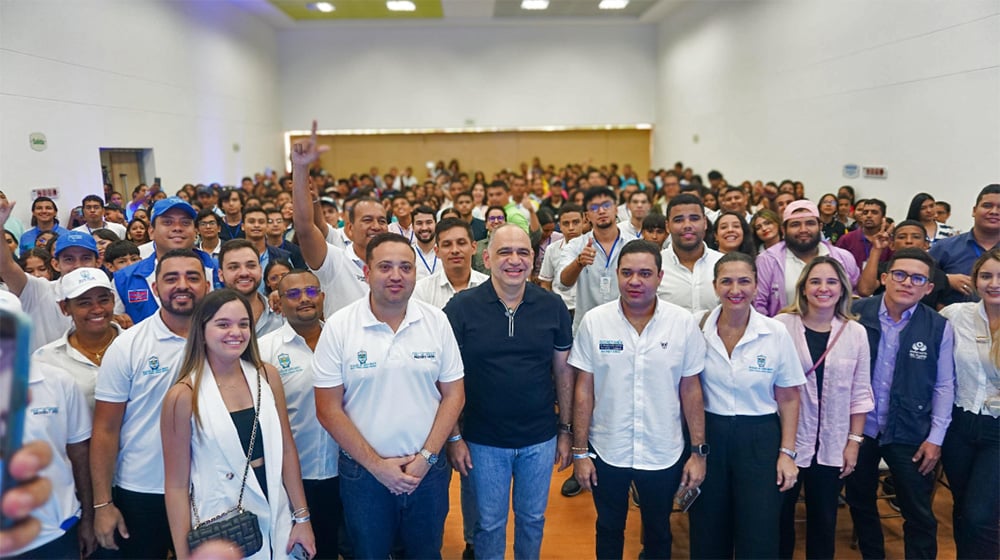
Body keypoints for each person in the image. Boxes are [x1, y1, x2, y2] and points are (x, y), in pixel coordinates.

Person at [313, 233, 465, 559]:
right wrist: (377, 466)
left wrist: (427, 457)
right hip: (364, 475)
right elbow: (327, 409)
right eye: (385, 267)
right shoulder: (340, 326)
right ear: (367, 273)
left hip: (427, 471)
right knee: (370, 554)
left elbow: (454, 395)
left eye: (405, 268)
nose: (396, 276)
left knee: (426, 553)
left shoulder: (436, 321)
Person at [570, 240, 708, 559]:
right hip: (607, 449)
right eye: (627, 273)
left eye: (645, 273)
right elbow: (583, 390)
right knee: (608, 528)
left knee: (659, 530)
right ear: (617, 275)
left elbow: (691, 390)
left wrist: (698, 451)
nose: (635, 281)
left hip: (664, 450)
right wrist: (580, 452)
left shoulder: (682, 323)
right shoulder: (595, 321)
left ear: (660, 277)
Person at [444, 224, 574, 559]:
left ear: (533, 259)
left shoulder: (553, 306)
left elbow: (563, 372)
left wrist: (566, 431)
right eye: (504, 252)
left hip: (540, 438)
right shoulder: (460, 308)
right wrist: (454, 437)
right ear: (486, 258)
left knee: (532, 519)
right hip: (482, 440)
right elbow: (446, 379)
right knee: (488, 524)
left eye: (523, 252)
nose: (514, 260)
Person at [160, 289, 315, 560]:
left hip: (276, 509)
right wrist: (185, 555)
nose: (236, 332)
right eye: (223, 324)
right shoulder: (183, 396)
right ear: (202, 330)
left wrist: (302, 518)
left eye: (243, 324)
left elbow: (287, 451)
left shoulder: (267, 376)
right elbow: (176, 485)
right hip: (220, 520)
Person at [91, 249, 211, 558]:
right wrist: (103, 504)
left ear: (207, 287)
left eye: (192, 277)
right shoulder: (128, 346)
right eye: (171, 278)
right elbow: (105, 429)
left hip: (211, 490)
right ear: (155, 289)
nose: (182, 285)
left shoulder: (225, 340)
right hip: (142, 490)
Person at [688, 252, 806, 559]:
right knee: (707, 527)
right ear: (715, 286)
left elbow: (790, 397)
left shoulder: (775, 332)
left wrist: (787, 453)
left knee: (759, 529)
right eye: (726, 281)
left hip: (760, 437)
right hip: (709, 435)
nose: (735, 289)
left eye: (744, 281)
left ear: (756, 286)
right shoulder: (696, 328)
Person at [846, 248, 956, 560]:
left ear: (928, 288)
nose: (907, 282)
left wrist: (935, 438)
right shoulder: (856, 313)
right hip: (859, 431)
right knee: (860, 502)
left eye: (918, 278)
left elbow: (944, 385)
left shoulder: (938, 326)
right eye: (900, 274)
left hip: (910, 432)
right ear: (884, 278)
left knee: (919, 513)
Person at [774, 257, 874, 560]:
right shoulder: (780, 326)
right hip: (786, 443)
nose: (823, 288)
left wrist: (854, 444)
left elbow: (860, 392)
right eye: (815, 281)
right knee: (779, 519)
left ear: (842, 289)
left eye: (831, 282)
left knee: (824, 520)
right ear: (803, 289)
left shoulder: (855, 332)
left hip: (832, 444)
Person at [938, 248, 1000, 560]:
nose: (994, 283)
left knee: (981, 515)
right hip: (959, 424)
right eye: (986, 276)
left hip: (998, 431)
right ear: (975, 280)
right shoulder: (955, 315)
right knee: (962, 508)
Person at [291, 122, 386, 319]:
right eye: (367, 220)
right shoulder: (334, 261)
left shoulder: (394, 264)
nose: (376, 226)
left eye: (382, 221)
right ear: (349, 228)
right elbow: (304, 228)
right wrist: (301, 167)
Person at [113, 197, 219, 324]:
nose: (177, 228)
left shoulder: (218, 270)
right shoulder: (125, 279)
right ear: (151, 232)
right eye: (168, 222)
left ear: (195, 232)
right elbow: (115, 324)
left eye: (185, 223)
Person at [32, 268, 122, 409]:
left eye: (104, 300)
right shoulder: (45, 359)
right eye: (84, 303)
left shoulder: (138, 345)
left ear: (113, 301)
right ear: (65, 308)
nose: (97, 309)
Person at [755, 200, 859, 317]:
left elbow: (853, 298)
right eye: (795, 224)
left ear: (820, 227)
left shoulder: (843, 258)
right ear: (784, 230)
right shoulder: (768, 260)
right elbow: (759, 306)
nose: (803, 230)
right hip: (783, 332)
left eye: (810, 223)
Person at [558, 187, 624, 331]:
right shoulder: (576, 245)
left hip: (623, 326)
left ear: (616, 209)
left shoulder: (632, 245)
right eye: (594, 208)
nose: (601, 211)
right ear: (587, 216)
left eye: (606, 205)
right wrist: (579, 263)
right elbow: (562, 283)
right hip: (587, 328)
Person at [930, 184, 1000, 307]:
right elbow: (920, 280)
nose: (994, 212)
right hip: (952, 323)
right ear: (974, 211)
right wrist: (945, 280)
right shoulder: (944, 248)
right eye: (987, 206)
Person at [857, 220, 950, 308]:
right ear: (892, 245)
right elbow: (865, 291)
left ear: (926, 244)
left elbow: (940, 312)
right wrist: (876, 249)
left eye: (916, 237)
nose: (909, 241)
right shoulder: (883, 269)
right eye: (902, 237)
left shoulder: (938, 275)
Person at [656, 194, 722, 315]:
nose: (687, 225)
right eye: (678, 220)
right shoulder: (654, 265)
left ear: (705, 223)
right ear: (667, 226)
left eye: (694, 218)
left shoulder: (723, 264)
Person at [218, 239, 283, 336]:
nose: (244, 273)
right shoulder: (209, 318)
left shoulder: (281, 311)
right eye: (234, 267)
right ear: (221, 275)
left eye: (251, 265)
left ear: (260, 270)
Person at [538, 204, 584, 315]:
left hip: (586, 307)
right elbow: (545, 283)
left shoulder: (594, 247)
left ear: (584, 221)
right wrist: (549, 305)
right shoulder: (552, 249)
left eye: (576, 222)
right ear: (560, 226)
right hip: (561, 308)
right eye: (566, 224)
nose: (571, 227)